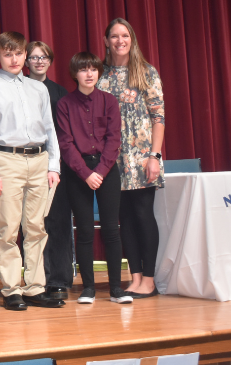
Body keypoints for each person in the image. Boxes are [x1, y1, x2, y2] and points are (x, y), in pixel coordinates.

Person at [0, 31, 63, 311]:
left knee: (36, 228)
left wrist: (53, 165)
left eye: (18, 53)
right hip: (6, 161)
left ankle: (35, 287)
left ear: (26, 55)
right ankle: (12, 289)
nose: (14, 59)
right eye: (8, 54)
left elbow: (50, 129)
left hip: (39, 160)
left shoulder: (38, 89)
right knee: (8, 228)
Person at [96, 18, 165, 299]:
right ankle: (134, 277)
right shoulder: (99, 74)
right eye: (114, 36)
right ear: (106, 41)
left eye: (125, 36)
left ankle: (149, 280)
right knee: (122, 216)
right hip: (112, 160)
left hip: (141, 158)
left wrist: (154, 156)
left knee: (142, 215)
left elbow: (158, 118)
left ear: (132, 40)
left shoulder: (146, 72)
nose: (120, 41)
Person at [57, 52, 132, 304]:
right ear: (75, 73)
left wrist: (100, 171)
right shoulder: (65, 104)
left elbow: (114, 139)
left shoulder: (109, 101)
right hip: (78, 172)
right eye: (83, 69)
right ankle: (88, 287)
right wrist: (86, 173)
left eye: (93, 69)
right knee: (86, 230)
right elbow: (66, 144)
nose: (89, 74)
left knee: (111, 229)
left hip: (106, 169)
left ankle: (115, 288)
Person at [25, 41, 72, 302]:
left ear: (50, 61)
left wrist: (57, 164)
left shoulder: (59, 93)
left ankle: (59, 280)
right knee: (33, 224)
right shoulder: (19, 90)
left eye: (43, 57)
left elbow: (64, 133)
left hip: (56, 166)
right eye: (34, 57)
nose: (39, 61)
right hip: (27, 164)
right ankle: (37, 279)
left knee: (58, 222)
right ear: (26, 62)